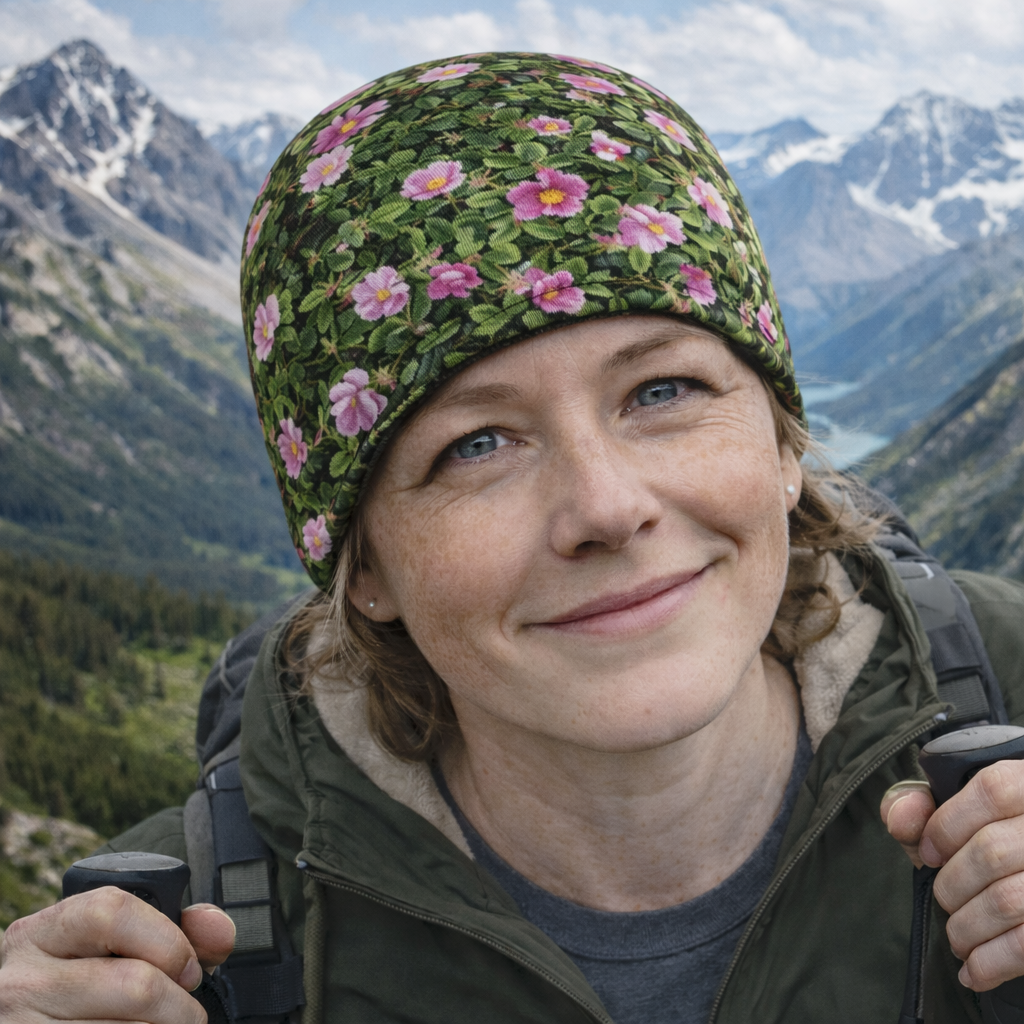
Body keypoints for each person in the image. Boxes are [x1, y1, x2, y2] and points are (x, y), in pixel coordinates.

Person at [2, 51, 1024, 1024]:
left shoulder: (1005, 682)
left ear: (783, 445)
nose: (605, 506)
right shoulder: (166, 949)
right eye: (475, 444)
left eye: (661, 390)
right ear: (362, 569)